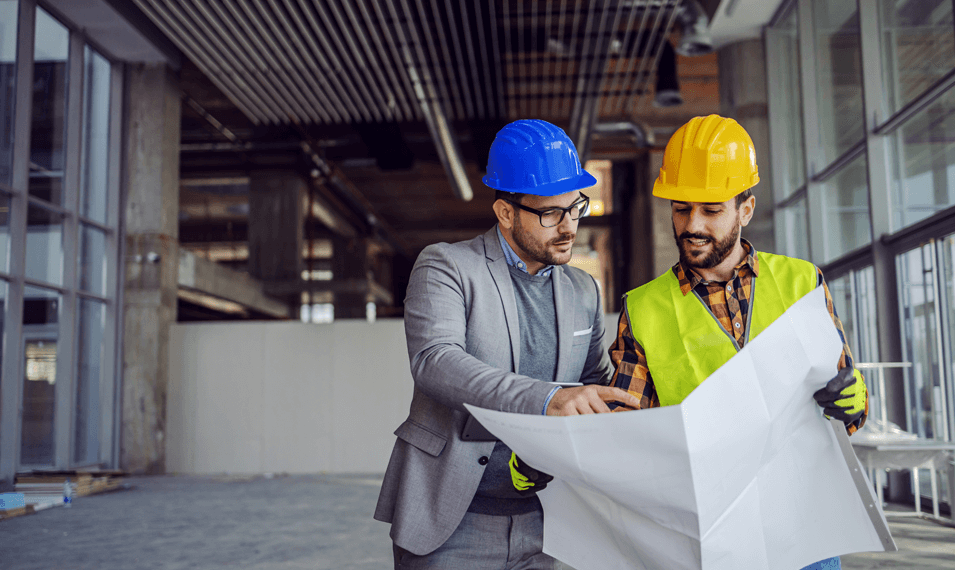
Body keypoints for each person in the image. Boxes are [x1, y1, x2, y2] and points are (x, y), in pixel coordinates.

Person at [374, 119, 640, 569]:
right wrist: (548, 399)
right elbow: (435, 361)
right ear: (505, 212)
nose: (568, 227)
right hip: (455, 520)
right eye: (550, 213)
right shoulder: (447, 266)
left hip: (552, 521)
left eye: (575, 207)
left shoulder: (582, 289)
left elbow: (591, 383)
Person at [607, 114, 868, 570]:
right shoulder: (643, 308)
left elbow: (846, 399)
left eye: (711, 210)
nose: (692, 225)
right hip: (708, 530)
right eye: (681, 208)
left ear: (745, 209)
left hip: (804, 524)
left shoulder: (801, 282)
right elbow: (627, 429)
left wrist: (852, 399)